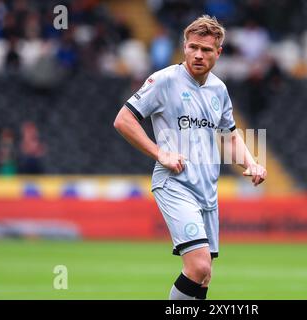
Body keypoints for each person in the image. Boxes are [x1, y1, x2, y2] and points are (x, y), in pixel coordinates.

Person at [114, 15, 267, 300]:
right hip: (175, 184)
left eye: (206, 50)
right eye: (193, 47)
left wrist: (252, 163)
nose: (198, 54)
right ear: (184, 46)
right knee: (198, 266)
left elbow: (230, 136)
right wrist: (160, 153)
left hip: (207, 189)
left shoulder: (219, 90)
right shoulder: (164, 80)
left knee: (205, 276)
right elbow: (123, 120)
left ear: (218, 53)